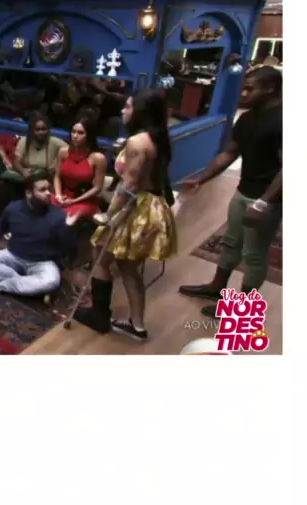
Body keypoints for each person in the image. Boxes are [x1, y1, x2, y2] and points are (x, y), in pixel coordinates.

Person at [178, 66, 282, 318]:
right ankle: (216, 288)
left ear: (270, 89)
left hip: (268, 199)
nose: (243, 94)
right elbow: (230, 152)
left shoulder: (284, 121)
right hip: (243, 189)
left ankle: (242, 309)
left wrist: (263, 203)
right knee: (231, 243)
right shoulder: (247, 119)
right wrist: (201, 179)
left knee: (254, 255)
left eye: (250, 89)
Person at [73, 90, 177, 340]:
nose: (123, 110)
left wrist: (108, 215)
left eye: (128, 106)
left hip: (135, 207)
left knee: (99, 256)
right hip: (152, 204)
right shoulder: (158, 138)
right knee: (128, 267)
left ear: (141, 112)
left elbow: (129, 185)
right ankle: (137, 325)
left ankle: (99, 315)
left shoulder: (138, 142)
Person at [0, 171, 76, 297]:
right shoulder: (14, 208)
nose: (48, 193)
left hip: (42, 262)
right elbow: (0, 225)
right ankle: (28, 285)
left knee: (51, 281)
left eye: (49, 189)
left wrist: (68, 228)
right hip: (13, 255)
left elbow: (67, 247)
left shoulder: (58, 216)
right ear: (29, 193)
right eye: (42, 190)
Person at [51, 117, 107, 224]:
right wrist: (58, 195)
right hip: (63, 196)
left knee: (66, 220)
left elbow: (97, 188)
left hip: (83, 199)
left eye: (80, 133)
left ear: (89, 135)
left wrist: (74, 201)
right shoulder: (63, 152)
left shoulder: (98, 158)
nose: (75, 136)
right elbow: (57, 176)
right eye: (73, 132)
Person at [13, 112, 67, 178]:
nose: (41, 132)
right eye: (37, 129)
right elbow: (16, 162)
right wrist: (23, 171)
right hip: (28, 176)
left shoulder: (54, 141)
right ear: (31, 130)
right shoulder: (24, 141)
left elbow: (70, 150)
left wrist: (57, 162)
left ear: (48, 130)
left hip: (46, 176)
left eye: (43, 129)